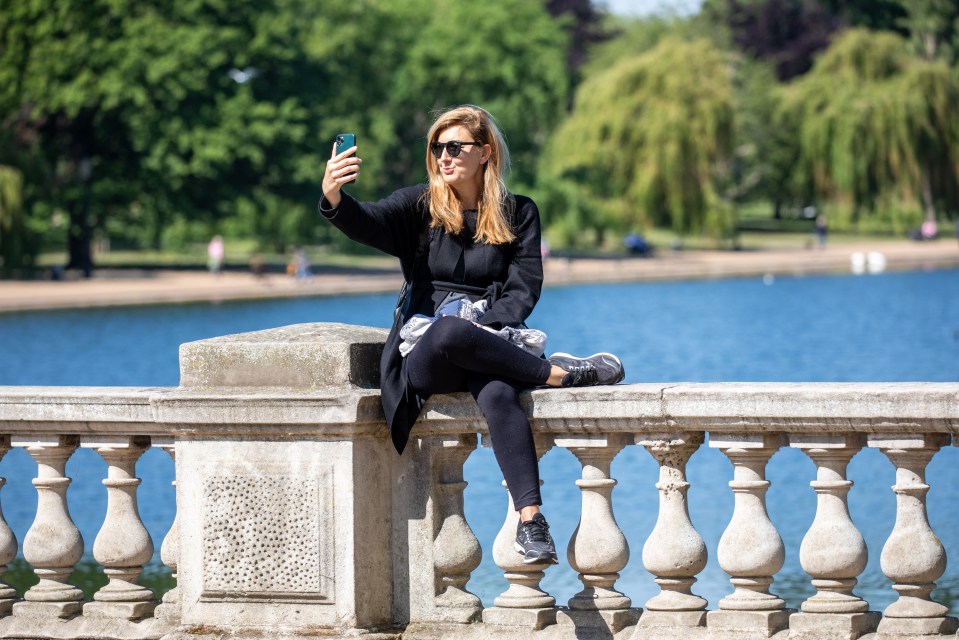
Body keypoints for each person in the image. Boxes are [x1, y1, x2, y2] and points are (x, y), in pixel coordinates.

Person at [319, 105, 624, 564]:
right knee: (448, 332)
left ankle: (532, 522)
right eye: (437, 148)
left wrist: (485, 328)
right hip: (428, 353)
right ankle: (559, 375)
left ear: (485, 152)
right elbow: (369, 222)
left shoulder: (518, 212)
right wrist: (334, 195)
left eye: (455, 147)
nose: (444, 156)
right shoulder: (419, 207)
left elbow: (524, 291)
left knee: (500, 394)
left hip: (493, 342)